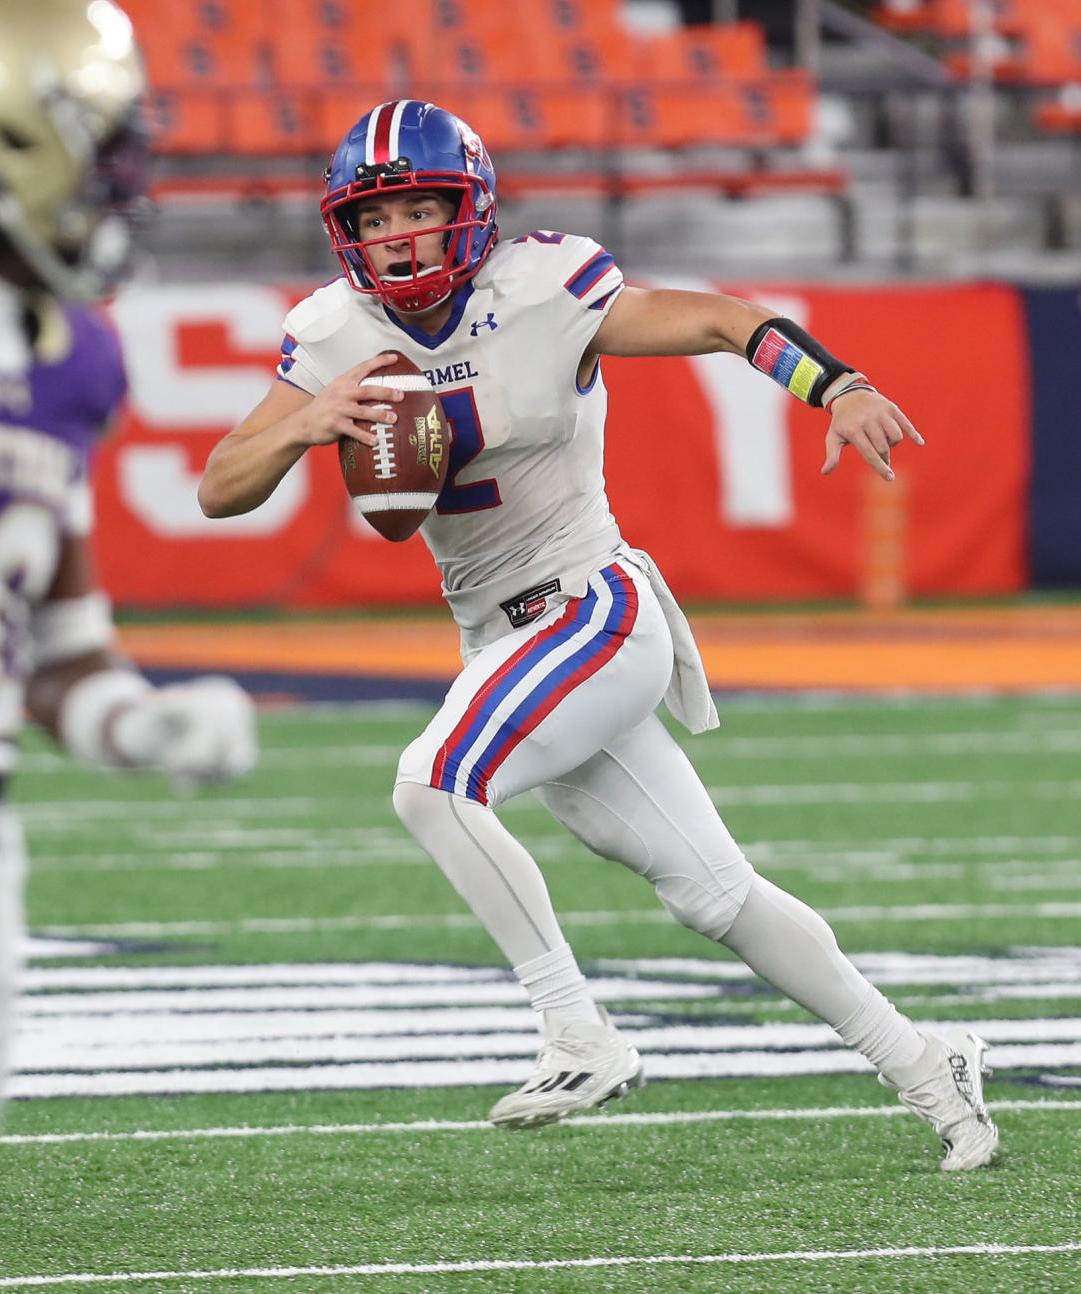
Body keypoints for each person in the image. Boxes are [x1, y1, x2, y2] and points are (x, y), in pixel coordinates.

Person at [199, 99, 996, 1170]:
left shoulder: (542, 288)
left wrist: (837, 383)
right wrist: (302, 421)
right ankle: (929, 1063)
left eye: (416, 208)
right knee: (717, 895)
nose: (394, 235)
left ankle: (575, 1025)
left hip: (590, 606)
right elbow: (219, 487)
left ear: (467, 210)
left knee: (433, 782)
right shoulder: (332, 335)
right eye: (374, 215)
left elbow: (719, 318)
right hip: (503, 637)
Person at [0, 2, 257, 1288]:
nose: (113, 176)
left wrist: (131, 719)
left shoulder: (75, 356)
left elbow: (54, 645)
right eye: (94, 140)